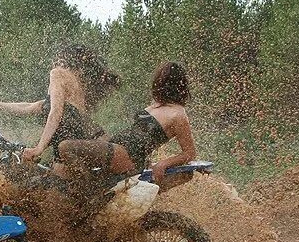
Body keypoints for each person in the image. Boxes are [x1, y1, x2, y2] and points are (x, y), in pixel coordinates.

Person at [0, 44, 120, 173]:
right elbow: (28, 107)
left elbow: (56, 113)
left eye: (57, 58)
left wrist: (39, 148)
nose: (53, 62)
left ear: (63, 59)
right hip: (79, 141)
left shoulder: (58, 73)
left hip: (71, 143)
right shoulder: (74, 85)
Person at [57, 61, 197, 185]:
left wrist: (164, 163)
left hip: (127, 155)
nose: (157, 81)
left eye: (161, 78)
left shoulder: (178, 113)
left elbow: (189, 153)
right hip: (117, 145)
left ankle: (86, 189)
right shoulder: (156, 104)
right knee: (77, 118)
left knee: (65, 147)